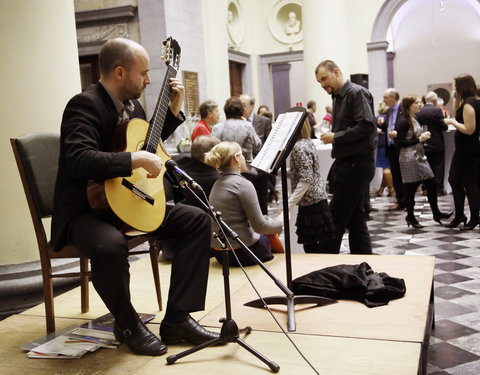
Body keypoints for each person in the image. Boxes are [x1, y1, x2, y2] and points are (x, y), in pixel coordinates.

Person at [51, 38, 219, 356]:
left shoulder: (134, 107)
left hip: (128, 201)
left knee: (196, 220)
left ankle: (178, 319)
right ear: (119, 72)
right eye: (143, 73)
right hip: (85, 210)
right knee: (111, 245)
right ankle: (127, 324)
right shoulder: (83, 105)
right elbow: (78, 158)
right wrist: (133, 161)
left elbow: (143, 143)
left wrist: (171, 111)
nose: (148, 80)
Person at [315, 60, 376, 254]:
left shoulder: (356, 93)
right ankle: (365, 260)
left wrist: (336, 137)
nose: (323, 84)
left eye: (324, 78)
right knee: (356, 219)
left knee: (336, 217)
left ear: (336, 71)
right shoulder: (338, 96)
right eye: (319, 82)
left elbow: (366, 125)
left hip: (356, 164)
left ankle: (324, 262)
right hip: (347, 162)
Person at [204, 141, 282, 266]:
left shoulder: (217, 183)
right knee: (271, 235)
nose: (244, 158)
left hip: (220, 253)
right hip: (242, 253)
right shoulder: (242, 184)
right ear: (236, 159)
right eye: (242, 155)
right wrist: (280, 224)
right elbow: (260, 226)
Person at [396, 95, 452, 228]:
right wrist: (419, 140)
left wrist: (420, 140)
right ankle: (410, 216)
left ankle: (436, 213)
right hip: (409, 157)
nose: (419, 105)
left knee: (431, 183)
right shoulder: (403, 121)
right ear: (409, 105)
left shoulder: (413, 118)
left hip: (419, 156)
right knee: (410, 188)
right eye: (416, 103)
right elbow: (399, 143)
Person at [289, 119, 336, 253]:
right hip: (317, 198)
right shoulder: (307, 142)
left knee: (311, 248)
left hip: (310, 202)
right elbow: (304, 171)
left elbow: (306, 179)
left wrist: (290, 202)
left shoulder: (299, 147)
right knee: (317, 246)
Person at [216, 96, 268, 214]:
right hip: (247, 171)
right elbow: (258, 145)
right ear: (241, 110)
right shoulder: (247, 126)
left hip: (224, 172)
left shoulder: (218, 127)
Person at [444, 74, 480, 230]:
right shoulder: (467, 103)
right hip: (464, 149)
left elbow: (469, 129)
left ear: (461, 87)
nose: (453, 89)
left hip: (468, 150)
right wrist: (456, 99)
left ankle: (474, 218)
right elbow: (455, 112)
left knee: (470, 184)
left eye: (455, 86)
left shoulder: (469, 105)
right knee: (454, 180)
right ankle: (460, 215)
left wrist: (452, 122)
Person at [416, 91, 448, 195]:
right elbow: (444, 127)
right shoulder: (437, 110)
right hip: (437, 143)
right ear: (435, 100)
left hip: (423, 142)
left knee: (426, 166)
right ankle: (438, 190)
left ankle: (426, 188)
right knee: (438, 166)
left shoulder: (419, 111)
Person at [382, 88, 406, 210]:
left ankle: (407, 202)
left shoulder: (404, 109)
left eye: (385, 97)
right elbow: (388, 126)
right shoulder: (388, 112)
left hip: (402, 147)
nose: (384, 100)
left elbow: (409, 127)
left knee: (405, 175)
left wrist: (398, 134)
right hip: (391, 148)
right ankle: (401, 201)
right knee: (396, 176)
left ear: (393, 97)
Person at [375, 100, 394, 197]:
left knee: (386, 168)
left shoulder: (377, 118)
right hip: (389, 144)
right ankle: (381, 189)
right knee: (387, 167)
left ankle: (391, 189)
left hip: (381, 145)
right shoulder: (390, 118)